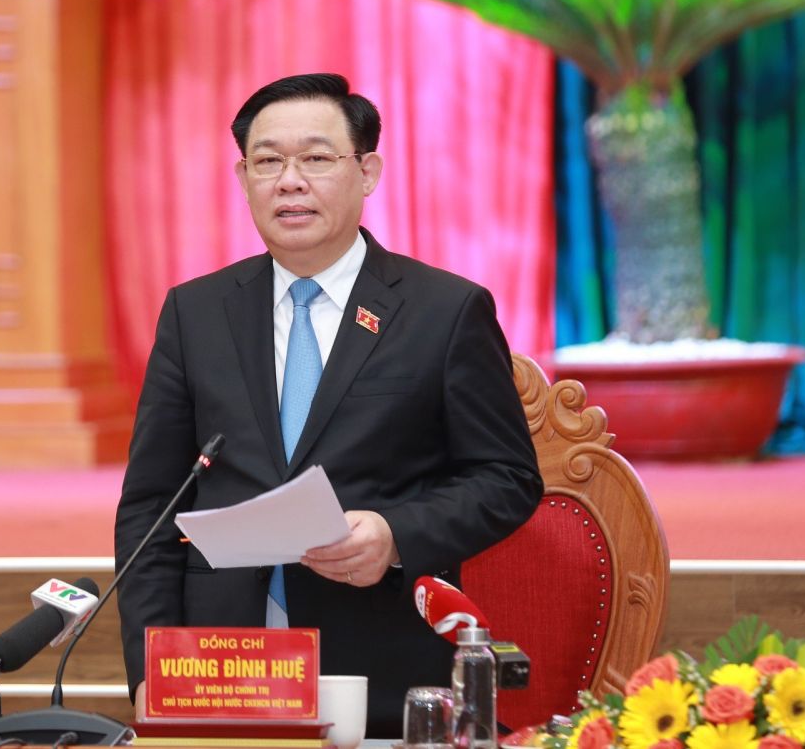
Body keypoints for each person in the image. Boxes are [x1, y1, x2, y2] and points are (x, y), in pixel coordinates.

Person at [113, 73, 542, 738]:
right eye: (267, 162)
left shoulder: (445, 311)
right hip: (222, 668)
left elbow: (507, 478)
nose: (289, 182)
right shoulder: (195, 313)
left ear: (367, 172)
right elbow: (151, 505)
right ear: (243, 178)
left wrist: (396, 534)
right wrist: (151, 667)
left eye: (316, 158)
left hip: (380, 665)